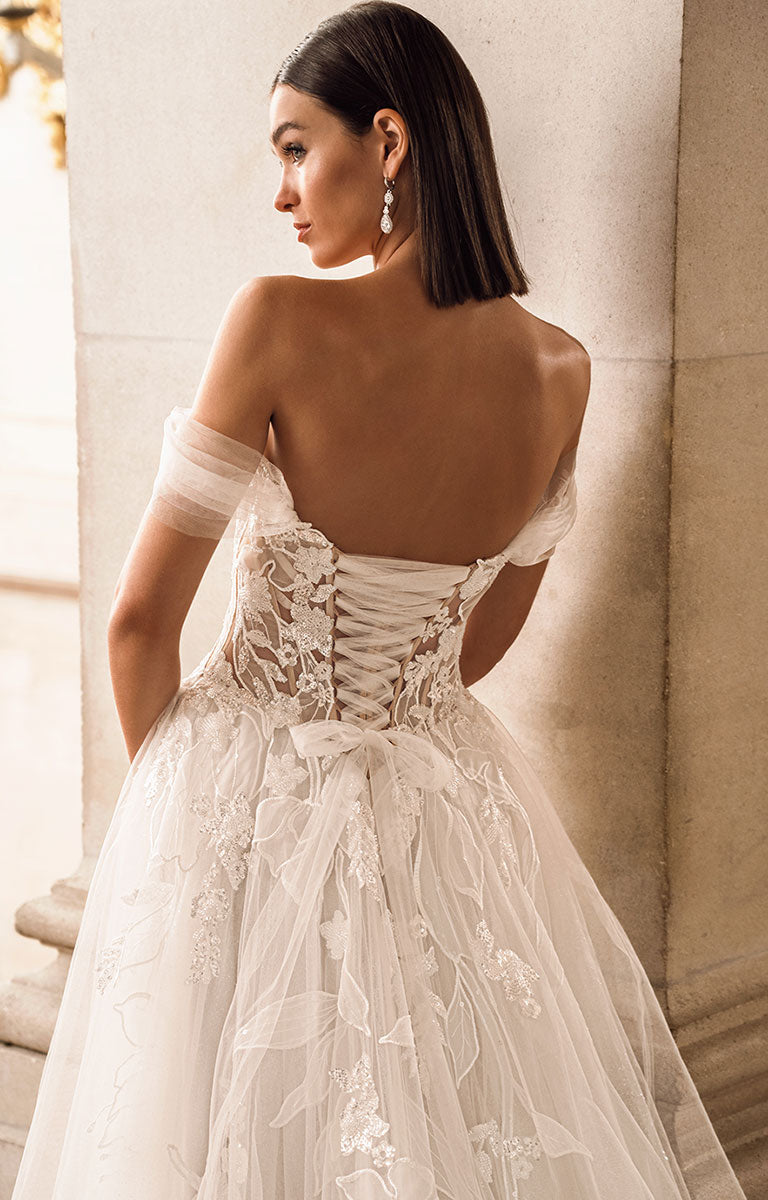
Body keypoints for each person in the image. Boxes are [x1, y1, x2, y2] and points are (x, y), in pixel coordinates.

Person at [11, 4, 748, 1198]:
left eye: (298, 147)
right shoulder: (562, 372)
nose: (282, 191)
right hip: (443, 806)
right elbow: (474, 649)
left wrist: (190, 834)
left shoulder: (279, 321)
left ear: (390, 142)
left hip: (245, 787)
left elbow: (139, 623)